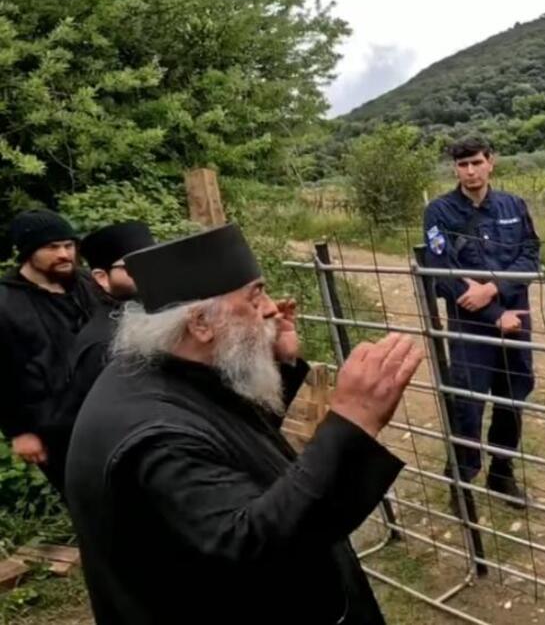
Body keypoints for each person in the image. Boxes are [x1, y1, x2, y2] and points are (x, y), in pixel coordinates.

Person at [65, 224, 423, 625]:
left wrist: (282, 364)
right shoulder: (155, 440)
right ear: (200, 323)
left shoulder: (166, 369)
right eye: (255, 297)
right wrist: (353, 422)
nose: (272, 308)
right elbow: (251, 548)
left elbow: (233, 440)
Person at [423, 136, 540, 506]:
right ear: (454, 169)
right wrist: (493, 312)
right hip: (470, 325)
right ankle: (463, 481)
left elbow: (530, 255)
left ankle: (501, 474)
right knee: (468, 404)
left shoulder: (513, 206)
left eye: (476, 162)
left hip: (515, 320)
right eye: (462, 165)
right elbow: (442, 272)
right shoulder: (440, 212)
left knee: (513, 397)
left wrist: (493, 288)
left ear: (491, 161)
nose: (470, 172)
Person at [0, 208, 100, 493]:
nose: (65, 255)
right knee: (86, 499)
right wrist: (20, 431)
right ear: (27, 252)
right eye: (52, 247)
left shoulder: (85, 284)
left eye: (69, 245)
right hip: (55, 428)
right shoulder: (6, 305)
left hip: (104, 409)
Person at [55, 220, 156, 442]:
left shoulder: (156, 311)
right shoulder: (102, 343)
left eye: (151, 260)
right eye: (133, 265)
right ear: (102, 278)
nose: (147, 271)